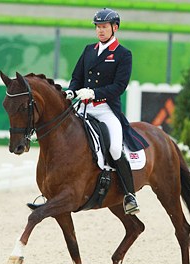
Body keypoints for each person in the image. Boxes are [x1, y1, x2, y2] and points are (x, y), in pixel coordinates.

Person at [65, 8, 148, 215]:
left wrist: (94, 93)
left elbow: (119, 86)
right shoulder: (88, 50)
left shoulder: (123, 54)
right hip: (83, 108)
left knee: (112, 149)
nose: (100, 31)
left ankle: (129, 195)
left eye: (104, 27)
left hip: (105, 109)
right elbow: (77, 77)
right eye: (98, 27)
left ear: (114, 28)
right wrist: (71, 91)